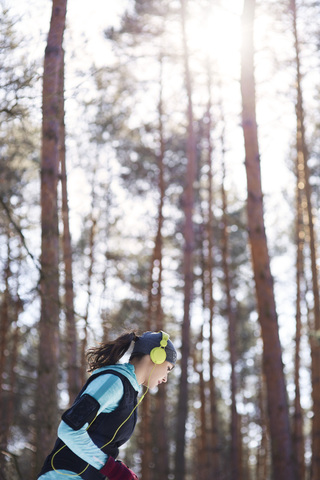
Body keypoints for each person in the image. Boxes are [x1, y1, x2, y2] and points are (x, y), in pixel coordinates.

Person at [37, 331, 177, 480]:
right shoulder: (113, 382)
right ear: (157, 356)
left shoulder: (129, 390)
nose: (165, 379)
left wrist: (117, 470)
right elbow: (69, 429)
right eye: (168, 369)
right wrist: (112, 469)